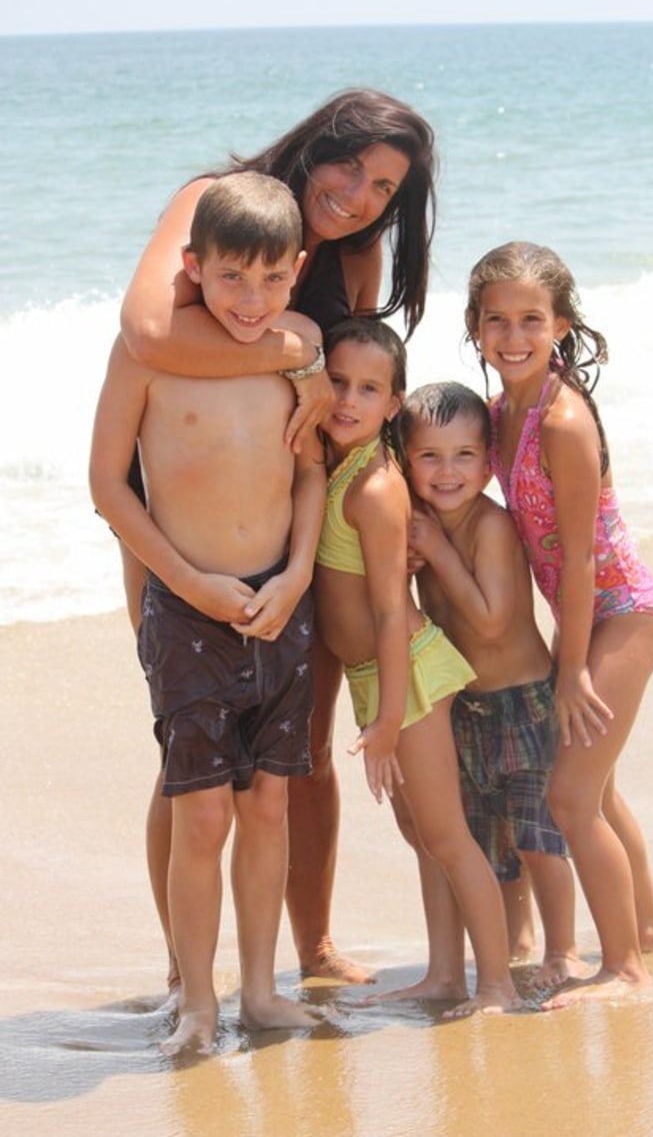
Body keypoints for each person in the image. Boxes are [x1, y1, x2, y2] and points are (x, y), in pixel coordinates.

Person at [117, 89, 438, 988]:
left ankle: (313, 947)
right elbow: (146, 332)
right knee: (190, 749)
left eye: (385, 187)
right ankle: (188, 971)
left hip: (304, 513)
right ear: (313, 145)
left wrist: (401, 517)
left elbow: (352, 395)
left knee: (298, 743)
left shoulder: (359, 253)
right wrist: (290, 345)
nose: (359, 194)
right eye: (350, 165)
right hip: (182, 512)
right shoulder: (213, 200)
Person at [90, 171, 326, 1055]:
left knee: (267, 809)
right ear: (193, 267)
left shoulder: (294, 361)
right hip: (190, 612)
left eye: (271, 280)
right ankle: (197, 998)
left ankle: (261, 992)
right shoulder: (148, 356)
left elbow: (311, 474)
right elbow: (108, 486)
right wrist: (188, 587)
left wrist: (299, 574)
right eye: (230, 278)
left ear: (297, 272)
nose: (251, 299)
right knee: (203, 815)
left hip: (279, 603)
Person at [465, 240, 653, 1007]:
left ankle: (624, 970)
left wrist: (573, 668)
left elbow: (582, 562)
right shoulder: (500, 414)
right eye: (498, 321)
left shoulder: (562, 421)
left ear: (561, 325)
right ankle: (650, 929)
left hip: (623, 613)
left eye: (532, 319)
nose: (514, 336)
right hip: (587, 620)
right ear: (475, 326)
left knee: (570, 798)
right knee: (602, 789)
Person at [314, 317, 525, 1017]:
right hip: (378, 675)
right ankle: (443, 974)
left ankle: (493, 983)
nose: (347, 399)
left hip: (404, 670)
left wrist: (383, 720)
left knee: (448, 835)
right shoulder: (345, 463)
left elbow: (385, 613)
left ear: (393, 403)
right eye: (336, 381)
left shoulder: (374, 488)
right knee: (419, 835)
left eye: (368, 389)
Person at [398, 381, 586, 991]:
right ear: (406, 460)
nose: (446, 471)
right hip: (467, 709)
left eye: (464, 456)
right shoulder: (418, 524)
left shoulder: (491, 527)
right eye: (429, 456)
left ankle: (563, 949)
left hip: (521, 703)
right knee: (490, 845)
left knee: (538, 840)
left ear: (488, 462)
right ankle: (516, 939)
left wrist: (436, 554)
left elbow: (491, 619)